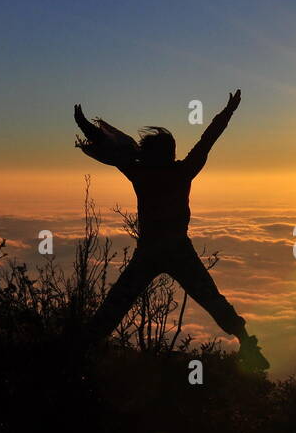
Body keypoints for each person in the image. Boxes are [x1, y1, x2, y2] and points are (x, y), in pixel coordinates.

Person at [72, 89, 268, 370]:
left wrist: (84, 125)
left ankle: (79, 352)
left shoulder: (140, 172)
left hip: (150, 253)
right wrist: (228, 112)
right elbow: (207, 140)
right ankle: (248, 346)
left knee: (114, 306)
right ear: (169, 152)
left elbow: (112, 148)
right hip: (177, 251)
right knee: (214, 301)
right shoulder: (180, 171)